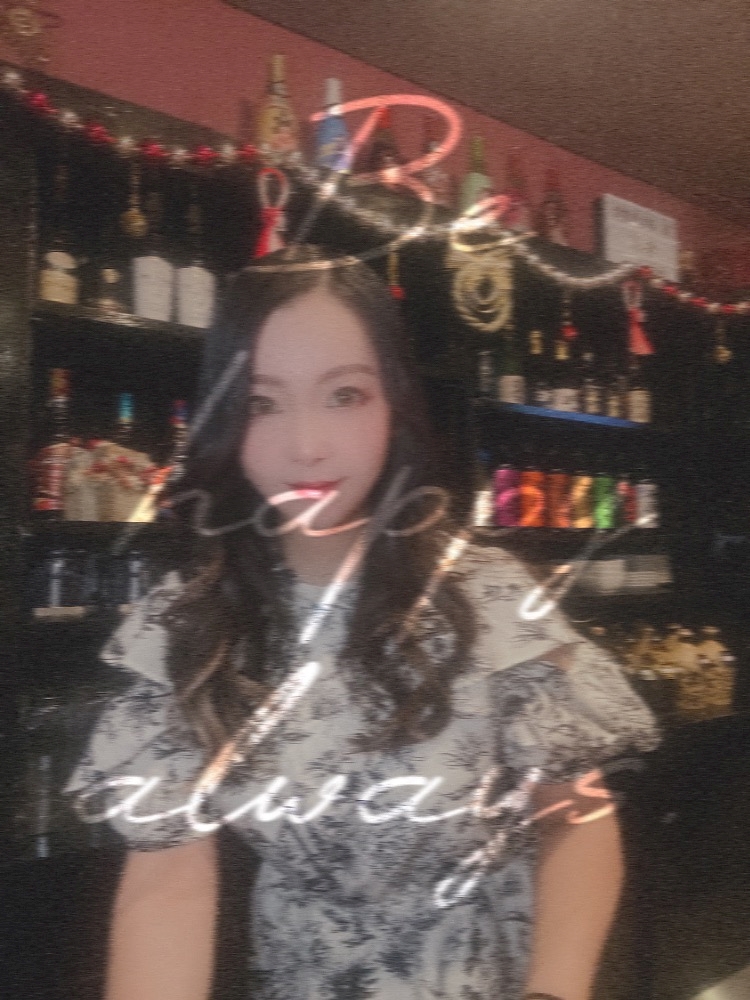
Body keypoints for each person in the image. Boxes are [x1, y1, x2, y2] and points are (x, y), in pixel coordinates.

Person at [64, 244, 660, 1000]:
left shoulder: (487, 598)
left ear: (392, 405)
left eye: (343, 395)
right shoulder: (187, 625)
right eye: (262, 403)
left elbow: (574, 817)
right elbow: (167, 880)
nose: (306, 446)